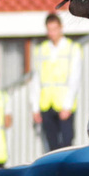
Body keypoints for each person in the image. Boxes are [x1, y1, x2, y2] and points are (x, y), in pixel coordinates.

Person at [33, 14, 80, 151]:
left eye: (54, 29)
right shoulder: (41, 50)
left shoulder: (72, 48)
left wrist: (67, 105)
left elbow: (74, 79)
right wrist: (35, 107)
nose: (52, 33)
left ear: (61, 28)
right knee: (51, 145)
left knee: (67, 143)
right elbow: (36, 80)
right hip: (46, 104)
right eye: (49, 30)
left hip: (64, 104)